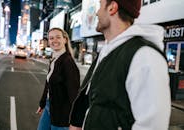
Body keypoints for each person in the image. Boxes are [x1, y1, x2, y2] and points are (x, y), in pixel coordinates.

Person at [69, 0, 171, 130]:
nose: (97, 12)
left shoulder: (144, 56)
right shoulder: (108, 51)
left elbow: (152, 126)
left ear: (112, 8)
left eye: (100, 6)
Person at [36, 27, 80, 130]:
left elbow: (74, 94)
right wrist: (42, 103)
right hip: (49, 106)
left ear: (65, 40)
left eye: (58, 37)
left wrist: (75, 121)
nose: (54, 41)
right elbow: (48, 84)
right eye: (51, 38)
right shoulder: (55, 59)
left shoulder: (67, 62)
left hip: (62, 114)